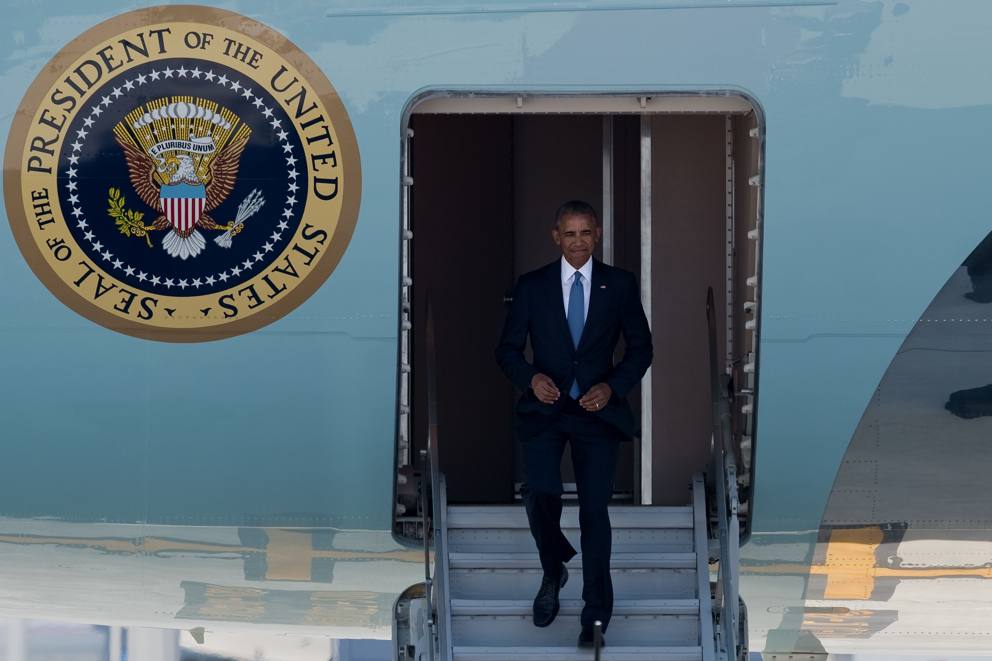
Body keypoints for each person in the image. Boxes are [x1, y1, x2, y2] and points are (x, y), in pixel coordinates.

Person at [494, 200, 652, 648]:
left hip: (596, 414)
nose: (578, 241)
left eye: (585, 233)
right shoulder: (532, 287)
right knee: (540, 494)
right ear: (555, 236)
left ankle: (595, 616)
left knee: (593, 514)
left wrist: (613, 387)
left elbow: (641, 349)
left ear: (597, 234)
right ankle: (554, 568)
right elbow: (506, 350)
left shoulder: (618, 284)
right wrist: (532, 377)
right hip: (545, 410)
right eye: (570, 233)